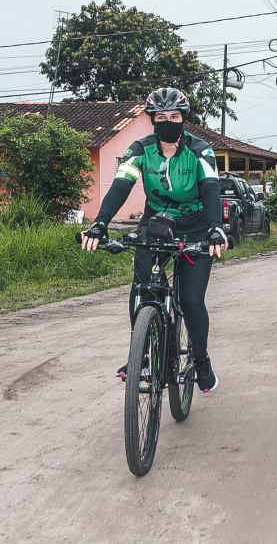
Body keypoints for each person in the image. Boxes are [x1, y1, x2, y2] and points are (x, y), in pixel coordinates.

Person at [80, 87, 228, 393]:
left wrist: (216, 227)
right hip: (155, 224)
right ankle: (141, 356)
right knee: (141, 289)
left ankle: (201, 359)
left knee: (191, 299)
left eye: (174, 116)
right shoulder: (140, 149)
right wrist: (100, 223)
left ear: (183, 118)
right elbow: (121, 184)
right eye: (161, 117)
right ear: (152, 119)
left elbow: (211, 188)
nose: (168, 121)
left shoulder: (200, 150)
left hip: (196, 227)